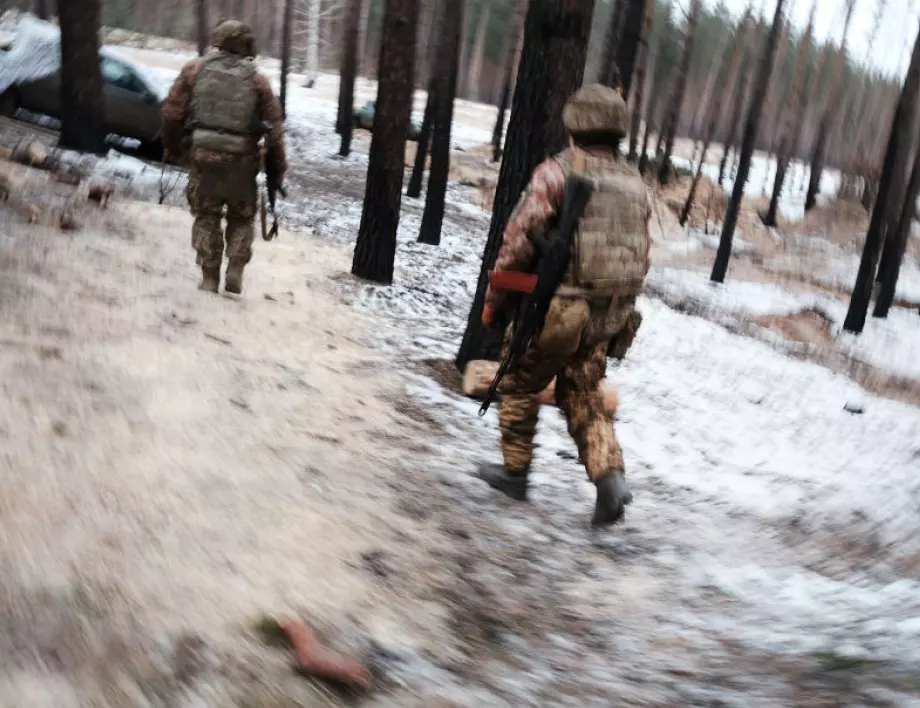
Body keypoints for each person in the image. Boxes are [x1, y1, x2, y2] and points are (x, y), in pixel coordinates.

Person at [478, 83, 651, 528]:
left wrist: (495, 302)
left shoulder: (556, 172)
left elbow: (517, 243)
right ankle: (610, 478)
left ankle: (515, 474)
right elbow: (642, 255)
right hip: (608, 315)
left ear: (576, 121)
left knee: (516, 381)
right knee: (583, 394)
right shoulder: (634, 183)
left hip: (556, 313)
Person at [161, 20, 287, 295]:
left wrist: (173, 148)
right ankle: (235, 268)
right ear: (247, 45)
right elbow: (275, 131)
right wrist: (277, 170)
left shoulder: (194, 70)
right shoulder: (258, 80)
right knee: (241, 217)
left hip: (203, 157)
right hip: (242, 162)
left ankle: (209, 276)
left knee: (207, 215)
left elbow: (172, 114)